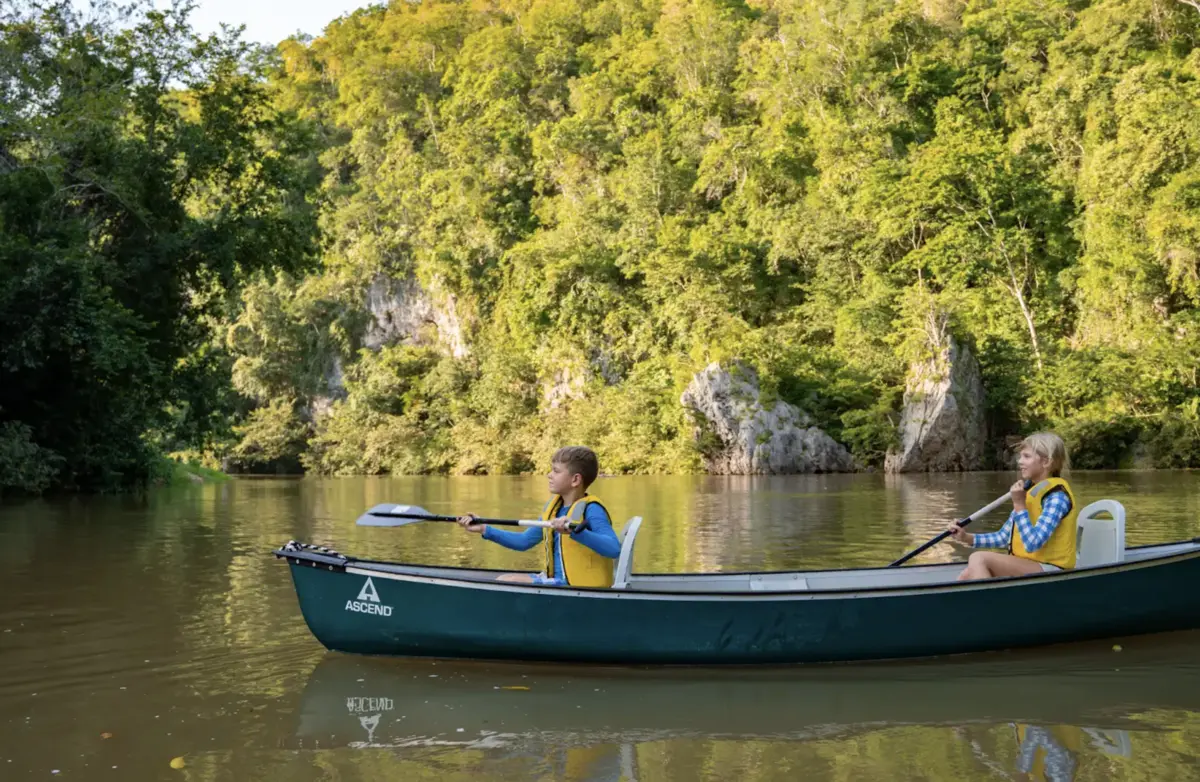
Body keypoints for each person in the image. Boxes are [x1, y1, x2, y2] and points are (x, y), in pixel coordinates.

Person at [457, 446, 621, 587]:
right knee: (504, 580)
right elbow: (524, 541)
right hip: (555, 581)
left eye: (556, 471)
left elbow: (613, 548)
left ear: (575, 479)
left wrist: (575, 532)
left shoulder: (592, 509)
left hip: (577, 587)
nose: (549, 475)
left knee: (507, 581)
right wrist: (484, 529)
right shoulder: (554, 508)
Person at [947, 432, 1078, 580]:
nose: (1020, 462)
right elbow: (1004, 537)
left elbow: (1032, 544)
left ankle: (989, 602)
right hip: (1030, 564)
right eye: (1021, 456)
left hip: (1052, 570)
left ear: (1046, 462)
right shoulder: (1029, 493)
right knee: (967, 575)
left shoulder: (1057, 497)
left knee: (979, 559)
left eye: (1026, 457)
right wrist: (966, 537)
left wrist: (1019, 505)